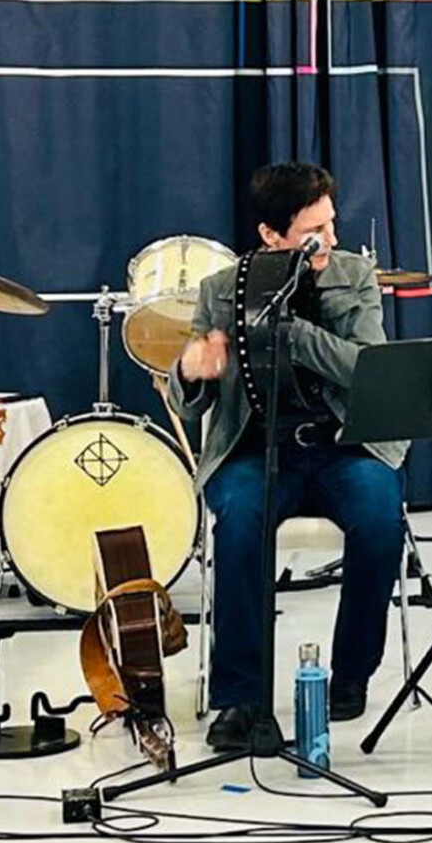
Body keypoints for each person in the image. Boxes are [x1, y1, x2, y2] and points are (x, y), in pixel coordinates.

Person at [171, 163, 407, 750]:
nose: (328, 241)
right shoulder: (221, 290)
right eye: (313, 232)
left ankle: (351, 674)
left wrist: (296, 333)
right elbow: (188, 397)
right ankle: (241, 699)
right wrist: (190, 371)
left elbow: (366, 369)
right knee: (240, 526)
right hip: (254, 450)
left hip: (341, 448)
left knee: (380, 517)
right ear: (272, 236)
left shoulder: (354, 276)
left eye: (331, 225)